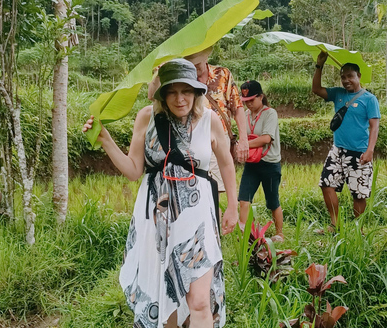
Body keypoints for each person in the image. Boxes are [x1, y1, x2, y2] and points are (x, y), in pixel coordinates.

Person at [83, 59, 238, 328]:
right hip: (156, 220)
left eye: (186, 91)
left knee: (199, 302)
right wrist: (106, 141)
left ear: (197, 92)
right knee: (163, 303)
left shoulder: (209, 120)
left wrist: (233, 207)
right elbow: (134, 170)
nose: (180, 99)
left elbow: (226, 162)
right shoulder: (147, 117)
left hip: (197, 220)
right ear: (162, 94)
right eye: (172, 91)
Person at [149, 48, 249, 192]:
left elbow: (237, 106)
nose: (194, 67)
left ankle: (214, 214)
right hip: (188, 139)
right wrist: (161, 71)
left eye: (197, 63)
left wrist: (243, 139)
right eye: (190, 63)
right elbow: (152, 95)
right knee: (190, 188)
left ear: (206, 58)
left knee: (215, 189)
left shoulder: (222, 74)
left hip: (218, 137)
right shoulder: (181, 77)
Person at [312, 51, 380, 232]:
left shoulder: (369, 99)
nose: (346, 80)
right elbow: (316, 90)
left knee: (358, 193)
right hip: (338, 150)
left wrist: (370, 150)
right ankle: (335, 225)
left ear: (359, 76)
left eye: (350, 76)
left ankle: (358, 229)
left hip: (359, 152)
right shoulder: (338, 94)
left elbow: (374, 126)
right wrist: (320, 65)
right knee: (327, 184)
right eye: (343, 77)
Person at [237, 80, 284, 242]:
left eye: (251, 100)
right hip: (252, 164)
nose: (248, 104)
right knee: (244, 199)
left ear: (261, 97)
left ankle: (280, 233)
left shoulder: (270, 113)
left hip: (270, 164)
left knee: (272, 201)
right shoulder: (245, 115)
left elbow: (266, 138)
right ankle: (244, 236)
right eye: (245, 101)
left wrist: (243, 145)